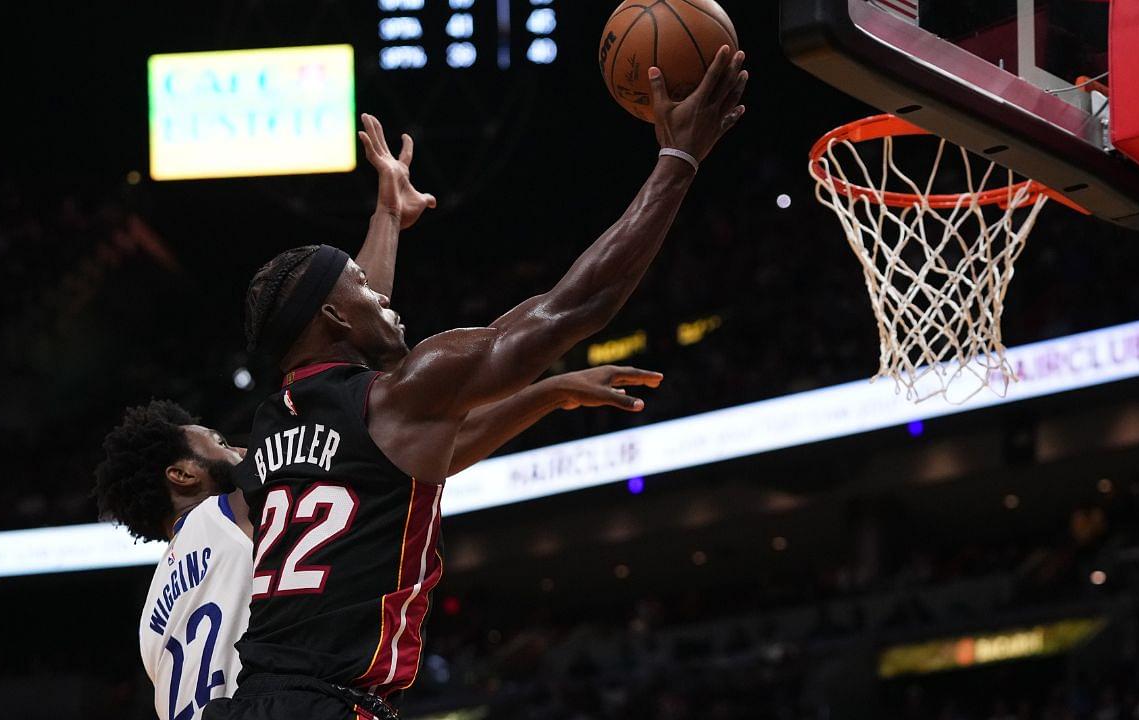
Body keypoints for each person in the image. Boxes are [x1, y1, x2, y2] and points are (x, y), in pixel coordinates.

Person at [209, 47, 748, 720]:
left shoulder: (273, 424)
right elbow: (572, 308)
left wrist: (386, 216)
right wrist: (679, 161)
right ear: (332, 316)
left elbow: (354, 330)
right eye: (368, 297)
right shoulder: (398, 396)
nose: (388, 301)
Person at [94, 115, 663, 720]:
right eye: (217, 442)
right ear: (184, 475)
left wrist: (387, 218)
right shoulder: (237, 497)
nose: (236, 446)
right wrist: (678, 159)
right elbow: (363, 389)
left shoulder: (156, 609)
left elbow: (361, 394)